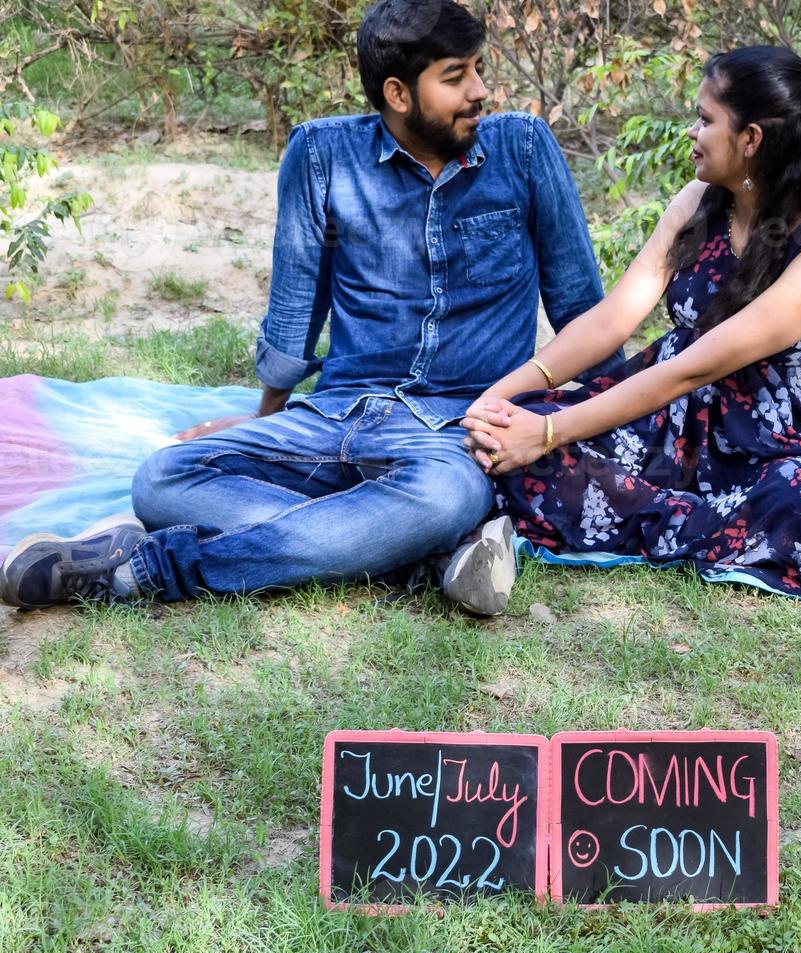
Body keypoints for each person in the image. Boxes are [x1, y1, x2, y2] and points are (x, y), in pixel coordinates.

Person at [0, 0, 621, 613]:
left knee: (444, 499)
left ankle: (147, 570)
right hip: (334, 415)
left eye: (477, 69)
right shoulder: (322, 156)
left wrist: (614, 432)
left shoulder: (523, 149)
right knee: (161, 479)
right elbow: (297, 305)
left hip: (454, 433)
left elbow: (582, 310)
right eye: (456, 78)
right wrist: (261, 417)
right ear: (398, 95)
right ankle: (414, 555)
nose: (480, 91)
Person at [458, 45, 801, 603]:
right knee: (513, 433)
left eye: (705, 120)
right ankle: (706, 524)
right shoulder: (696, 203)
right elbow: (611, 322)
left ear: (751, 139)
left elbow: (693, 368)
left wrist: (549, 435)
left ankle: (645, 519)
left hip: (784, 439)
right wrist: (498, 402)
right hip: (675, 427)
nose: (691, 132)